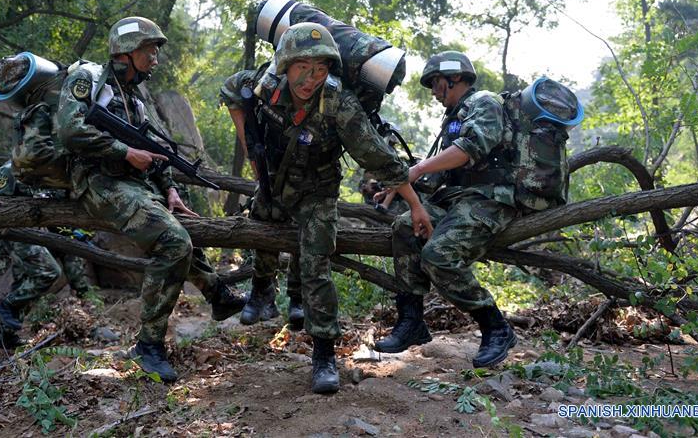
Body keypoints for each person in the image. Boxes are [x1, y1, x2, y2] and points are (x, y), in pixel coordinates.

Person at [220, 22, 433, 394]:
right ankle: (262, 290)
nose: (310, 78)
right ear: (285, 64)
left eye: (320, 70)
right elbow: (230, 92)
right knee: (262, 226)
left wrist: (414, 204)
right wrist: (248, 142)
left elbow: (378, 156)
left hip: (317, 190)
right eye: (303, 67)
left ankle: (323, 356)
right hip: (274, 182)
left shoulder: (338, 102)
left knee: (316, 262)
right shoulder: (265, 85)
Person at [55, 16, 245, 381]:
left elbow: (150, 152)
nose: (155, 58)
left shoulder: (134, 98)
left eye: (156, 51)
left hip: (135, 184)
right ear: (126, 52)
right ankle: (149, 346)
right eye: (149, 50)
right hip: (97, 181)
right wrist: (122, 151)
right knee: (173, 242)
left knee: (183, 229)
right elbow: (69, 129)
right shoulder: (88, 80)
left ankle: (217, 294)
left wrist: (170, 187)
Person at [374, 51, 518, 368]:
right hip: (457, 199)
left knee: (437, 255)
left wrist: (417, 170)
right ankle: (412, 321)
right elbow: (437, 175)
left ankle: (495, 327)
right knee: (403, 227)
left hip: (489, 199)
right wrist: (396, 185)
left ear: (452, 78)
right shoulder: (452, 120)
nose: (433, 91)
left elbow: (470, 149)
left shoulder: (484, 101)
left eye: (435, 83)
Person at [0, 162, 93, 349]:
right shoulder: (10, 170)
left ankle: (5, 337)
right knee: (48, 272)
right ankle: (7, 304)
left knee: (25, 282)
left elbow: (54, 208)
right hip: (13, 230)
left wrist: (69, 232)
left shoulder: (57, 173)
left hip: (37, 232)